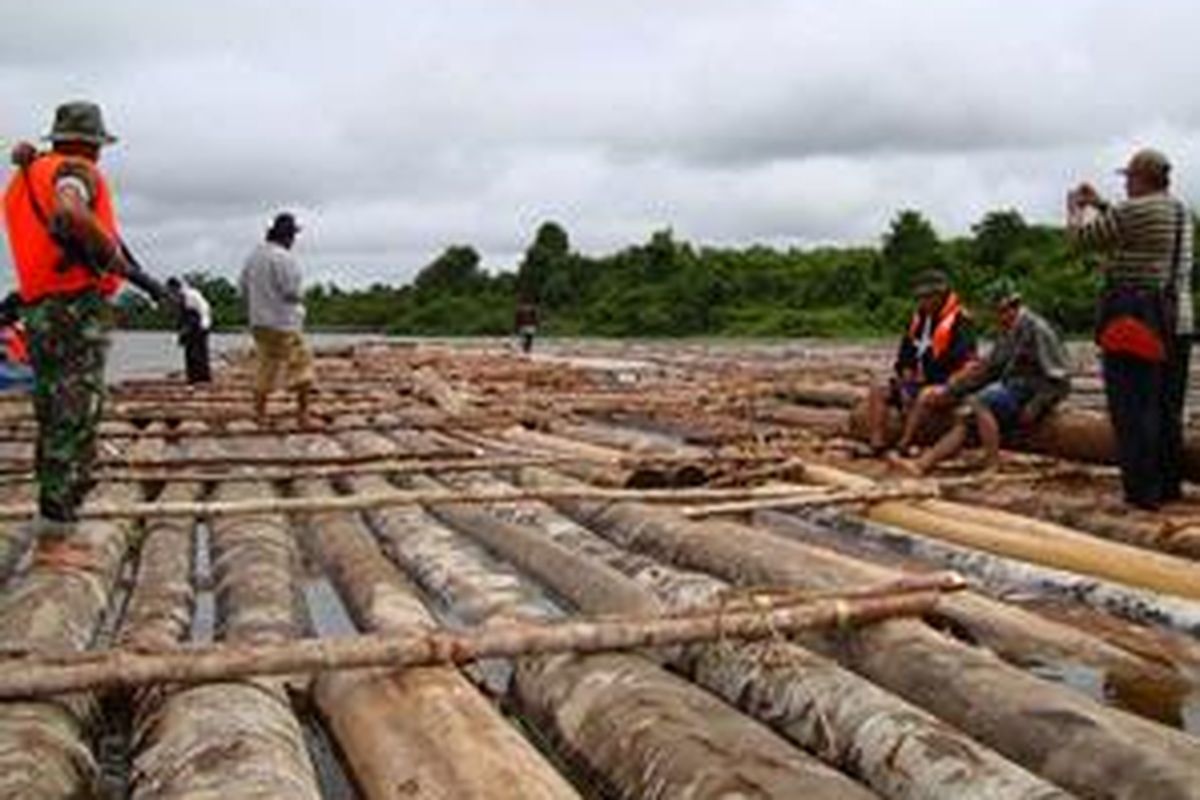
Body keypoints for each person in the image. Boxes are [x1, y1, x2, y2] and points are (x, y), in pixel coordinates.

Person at [2, 101, 141, 567]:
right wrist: (110, 256)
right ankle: (55, 537)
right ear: (89, 143)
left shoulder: (27, 176)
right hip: (74, 308)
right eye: (98, 146)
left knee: (53, 410)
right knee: (74, 415)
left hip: (41, 309)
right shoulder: (75, 170)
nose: (99, 156)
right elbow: (69, 211)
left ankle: (55, 523)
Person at [1068, 148, 1194, 509]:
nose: (1126, 186)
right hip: (1178, 320)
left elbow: (1080, 240)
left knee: (1133, 408)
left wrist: (1076, 208)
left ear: (1141, 179)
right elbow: (1135, 228)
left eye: (1129, 179)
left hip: (1137, 321)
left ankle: (1142, 494)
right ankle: (1168, 486)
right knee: (1167, 408)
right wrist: (1101, 204)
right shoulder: (1180, 211)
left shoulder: (1133, 210)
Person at [892, 281, 1071, 476]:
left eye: (998, 312)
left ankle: (992, 464)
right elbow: (989, 369)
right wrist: (952, 389)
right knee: (966, 420)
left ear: (1012, 307)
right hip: (1010, 386)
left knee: (979, 402)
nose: (996, 318)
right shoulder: (1006, 329)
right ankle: (922, 464)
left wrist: (1037, 404)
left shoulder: (1038, 329)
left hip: (1032, 389)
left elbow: (1060, 378)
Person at [865, 268, 977, 455]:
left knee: (924, 396)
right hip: (917, 381)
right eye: (920, 297)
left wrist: (933, 377)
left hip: (945, 381)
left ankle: (904, 443)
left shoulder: (961, 320)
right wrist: (905, 372)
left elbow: (963, 358)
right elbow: (905, 353)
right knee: (878, 387)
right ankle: (877, 442)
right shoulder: (918, 319)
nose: (923, 302)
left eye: (927, 297)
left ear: (941, 296)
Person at [239, 211, 315, 427]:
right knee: (302, 366)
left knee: (266, 365)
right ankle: (302, 414)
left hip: (259, 322)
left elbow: (243, 288)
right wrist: (300, 297)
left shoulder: (253, 257)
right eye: (293, 237)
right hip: (283, 323)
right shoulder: (283, 257)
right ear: (287, 236)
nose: (294, 241)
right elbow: (291, 292)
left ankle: (260, 414)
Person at [167, 277, 212, 383]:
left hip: (200, 323)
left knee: (199, 352)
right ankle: (192, 377)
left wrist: (203, 326)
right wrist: (181, 333)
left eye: (172, 290)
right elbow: (180, 316)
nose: (172, 293)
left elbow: (204, 309)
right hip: (189, 324)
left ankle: (202, 377)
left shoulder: (192, 295)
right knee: (189, 352)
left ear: (176, 287)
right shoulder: (178, 297)